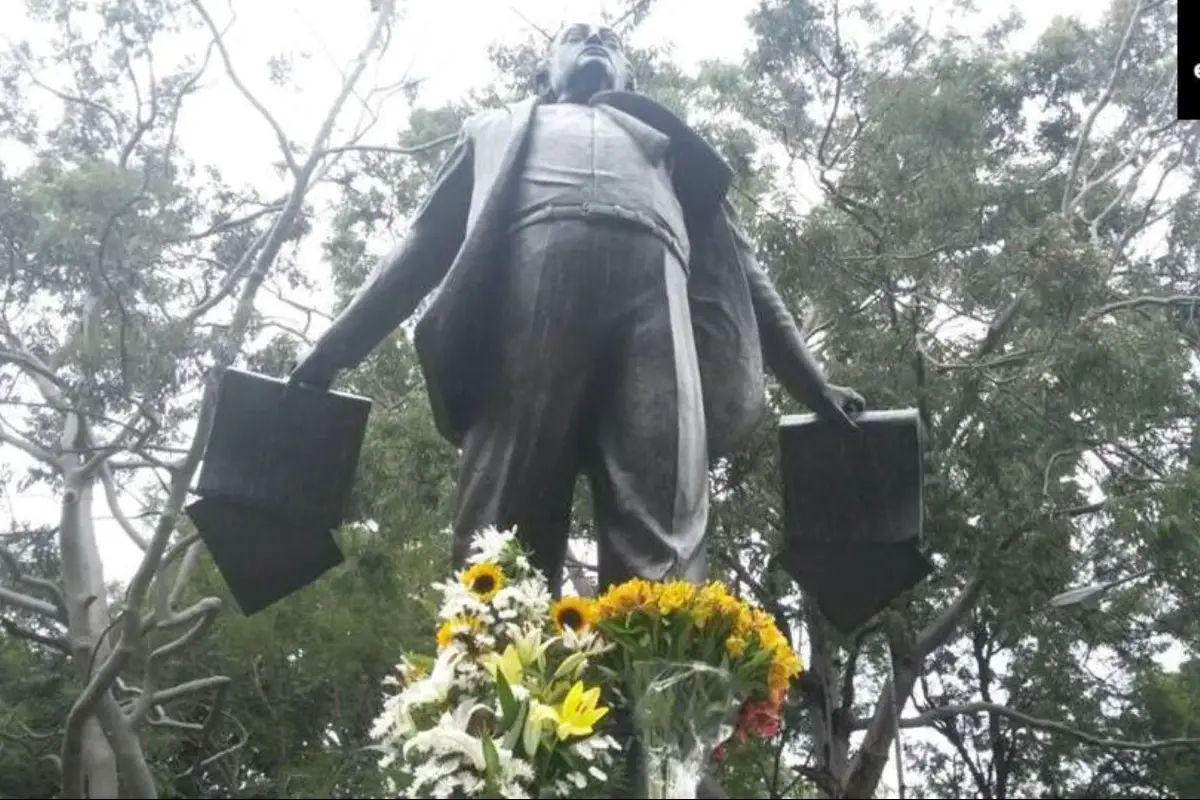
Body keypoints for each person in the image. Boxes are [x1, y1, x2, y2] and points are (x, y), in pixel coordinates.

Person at [289, 22, 864, 595]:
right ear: (543, 72)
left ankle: (664, 669)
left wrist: (815, 386)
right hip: (528, 305)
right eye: (577, 36)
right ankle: (485, 673)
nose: (597, 41)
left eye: (611, 41)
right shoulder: (493, 131)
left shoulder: (672, 152)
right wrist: (330, 352)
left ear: (629, 76)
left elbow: (745, 273)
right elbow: (420, 251)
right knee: (503, 530)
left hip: (656, 311)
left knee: (662, 523)